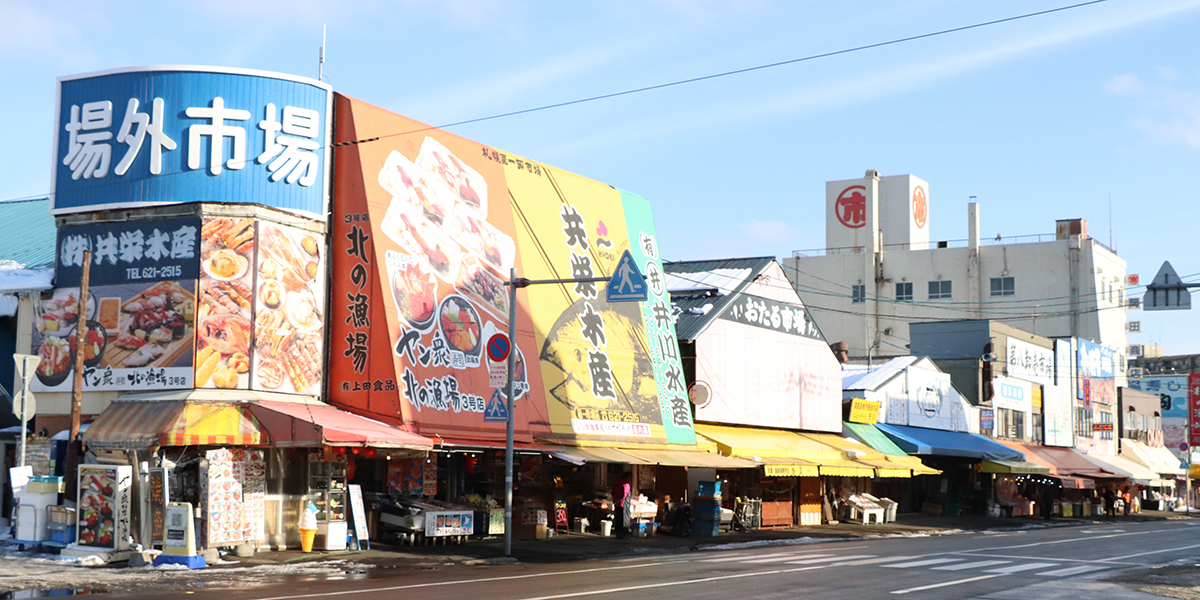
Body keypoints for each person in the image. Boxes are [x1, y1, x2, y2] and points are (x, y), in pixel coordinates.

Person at [611, 471, 632, 539]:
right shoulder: (625, 484)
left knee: (618, 519)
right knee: (624, 519)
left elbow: (613, 492)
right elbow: (624, 494)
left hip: (617, 504)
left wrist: (616, 500)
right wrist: (620, 499)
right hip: (623, 504)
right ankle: (623, 534)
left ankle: (618, 533)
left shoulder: (618, 482)